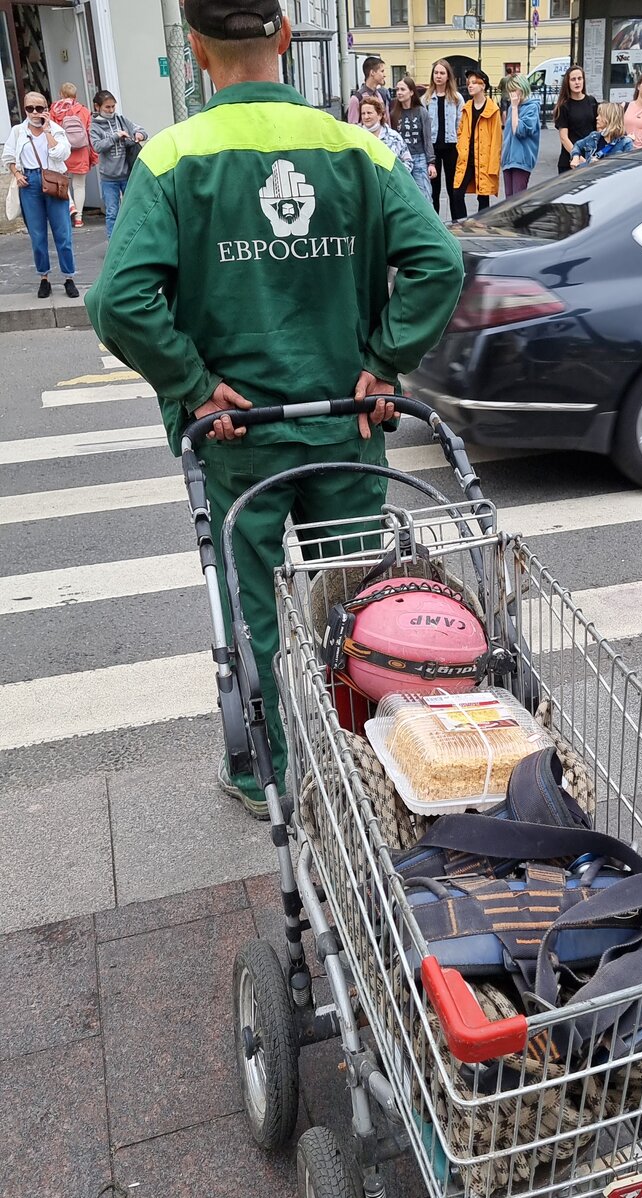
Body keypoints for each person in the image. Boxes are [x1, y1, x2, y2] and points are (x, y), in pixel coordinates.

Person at [84, 0, 464, 818]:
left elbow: (118, 300)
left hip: (240, 437)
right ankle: (373, 760)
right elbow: (437, 263)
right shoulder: (357, 146)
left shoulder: (174, 156)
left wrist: (189, 381)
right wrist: (384, 361)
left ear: (195, 49)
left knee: (254, 617)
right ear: (285, 39)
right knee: (357, 605)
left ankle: (270, 776)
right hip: (345, 429)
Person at [2, 90, 78, 299]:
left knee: (63, 234)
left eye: (39, 108)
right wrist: (17, 174)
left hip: (54, 180)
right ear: (25, 109)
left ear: (46, 108)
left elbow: (62, 154)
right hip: (30, 183)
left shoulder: (56, 130)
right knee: (37, 236)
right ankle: (44, 278)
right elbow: (7, 157)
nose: (35, 113)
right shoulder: (18, 131)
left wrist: (47, 131)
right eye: (30, 108)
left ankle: (69, 278)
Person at [90, 89, 147, 238]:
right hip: (109, 178)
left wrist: (139, 134)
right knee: (112, 213)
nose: (111, 110)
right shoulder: (95, 126)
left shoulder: (121, 120)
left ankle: (134, 240)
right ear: (97, 107)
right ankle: (113, 243)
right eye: (107, 107)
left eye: (113, 107)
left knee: (132, 209)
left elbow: (140, 129)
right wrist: (116, 136)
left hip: (127, 174)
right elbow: (97, 146)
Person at [48, 82, 97, 228]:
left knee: (63, 182)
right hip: (81, 150)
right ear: (76, 95)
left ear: (61, 94)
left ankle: (69, 207)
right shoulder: (84, 111)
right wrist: (93, 154)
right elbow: (90, 133)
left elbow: (49, 131)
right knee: (79, 185)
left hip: (63, 150)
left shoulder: (54, 110)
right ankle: (79, 218)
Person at [454, 68, 501, 213]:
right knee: (457, 193)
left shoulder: (493, 110)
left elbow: (496, 141)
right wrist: (460, 150)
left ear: (483, 85)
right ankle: (461, 223)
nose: (470, 85)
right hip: (466, 159)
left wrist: (493, 167)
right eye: (469, 83)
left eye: (474, 82)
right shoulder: (466, 108)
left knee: (483, 197)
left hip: (484, 160)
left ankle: (481, 228)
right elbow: (461, 132)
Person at [425, 59, 465, 220]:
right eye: (436, 73)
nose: (439, 76)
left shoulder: (456, 98)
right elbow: (425, 126)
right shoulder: (426, 99)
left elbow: (460, 125)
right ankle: (435, 223)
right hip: (433, 148)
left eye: (442, 73)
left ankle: (457, 222)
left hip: (451, 148)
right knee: (433, 189)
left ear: (448, 76)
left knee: (453, 188)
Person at [390, 74, 435, 202]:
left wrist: (431, 162)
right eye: (397, 90)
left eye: (402, 89)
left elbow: (427, 139)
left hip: (419, 158)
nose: (399, 93)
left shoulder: (421, 112)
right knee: (404, 196)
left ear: (411, 92)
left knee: (424, 196)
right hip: (402, 160)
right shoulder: (394, 114)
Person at [499, 73, 540, 197]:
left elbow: (519, 130)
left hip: (521, 161)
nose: (512, 94)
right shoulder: (513, 107)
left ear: (522, 88)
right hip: (508, 160)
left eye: (514, 90)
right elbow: (508, 132)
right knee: (509, 201)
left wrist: (515, 108)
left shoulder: (532, 107)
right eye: (510, 91)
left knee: (517, 201)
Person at [553, 65, 597, 174]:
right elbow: (564, 138)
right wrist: (578, 157)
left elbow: (597, 130)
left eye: (579, 78)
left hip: (590, 158)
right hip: (569, 160)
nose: (577, 82)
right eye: (573, 79)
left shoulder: (591, 101)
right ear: (567, 83)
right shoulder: (564, 106)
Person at [359, 95, 413, 171]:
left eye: (369, 113)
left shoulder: (394, 137)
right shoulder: (356, 136)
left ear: (380, 115)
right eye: (363, 113)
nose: (366, 117)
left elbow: (408, 162)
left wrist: (395, 177)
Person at [570, 101, 633, 165]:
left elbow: (627, 167)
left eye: (600, 115)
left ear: (609, 118)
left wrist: (602, 164)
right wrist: (575, 157)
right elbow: (577, 145)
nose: (597, 118)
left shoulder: (626, 142)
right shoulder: (594, 136)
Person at [346, 55, 391, 125]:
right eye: (382, 71)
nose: (384, 75)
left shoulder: (381, 95)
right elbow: (352, 129)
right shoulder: (356, 99)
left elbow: (387, 123)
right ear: (372, 73)